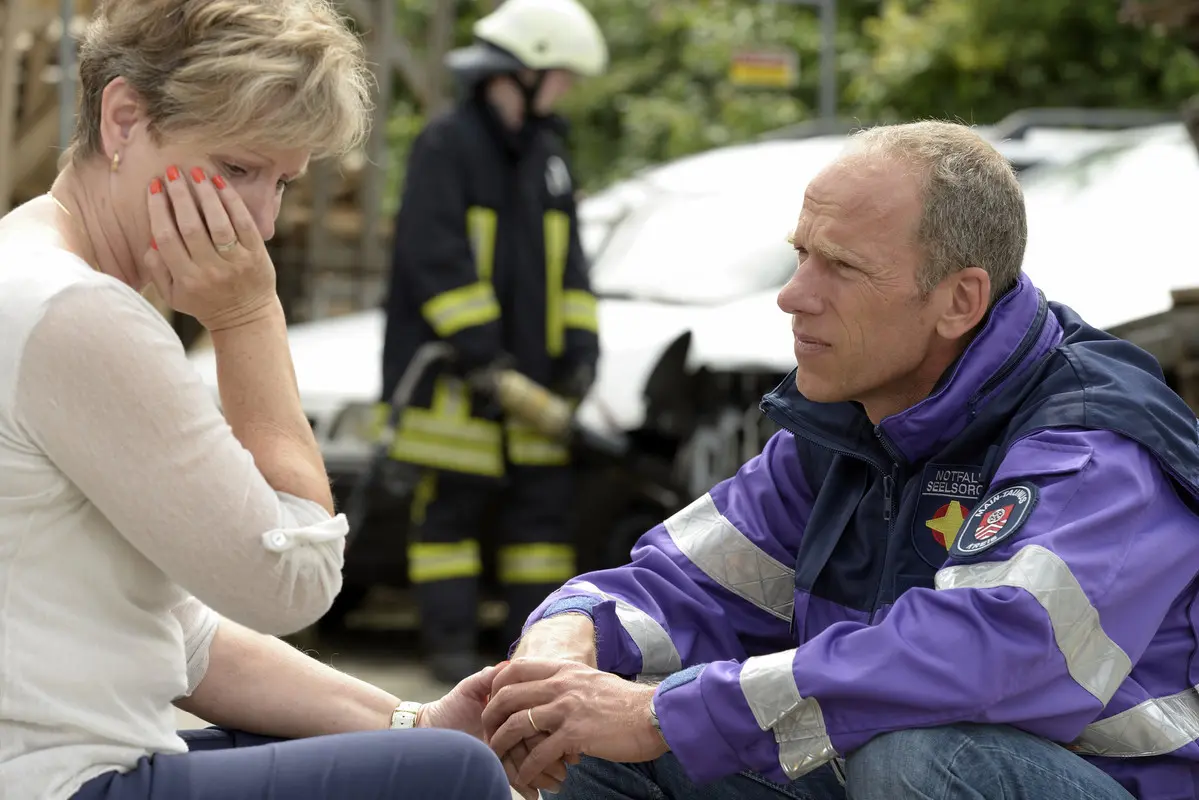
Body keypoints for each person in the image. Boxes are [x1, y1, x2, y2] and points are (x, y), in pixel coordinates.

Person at [478, 120, 1199, 800]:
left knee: (915, 759)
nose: (793, 296)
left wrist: (661, 715)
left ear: (959, 300)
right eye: (800, 255)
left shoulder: (1093, 439)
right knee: (577, 725)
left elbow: (988, 654)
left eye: (842, 268)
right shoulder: (847, 427)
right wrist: (562, 642)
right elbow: (681, 584)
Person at [0, 1, 522, 798]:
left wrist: (410, 719)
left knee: (428, 751)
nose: (261, 221)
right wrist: (249, 316)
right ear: (123, 119)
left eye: (282, 180)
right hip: (55, 780)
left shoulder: (29, 273)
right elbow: (292, 585)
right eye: (237, 168)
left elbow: (181, 633)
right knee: (454, 781)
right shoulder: (77, 312)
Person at [379, 0, 607, 683]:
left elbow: (569, 267)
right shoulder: (447, 144)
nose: (564, 89)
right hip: (455, 381)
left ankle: (526, 658)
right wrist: (480, 354)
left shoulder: (548, 155)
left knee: (540, 529)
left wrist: (579, 353)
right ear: (524, 70)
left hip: (532, 384)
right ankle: (448, 657)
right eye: (559, 75)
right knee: (448, 518)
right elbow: (435, 257)